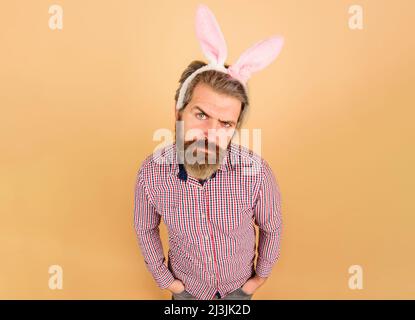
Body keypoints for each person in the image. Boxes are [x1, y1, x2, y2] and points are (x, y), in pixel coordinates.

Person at [134, 4, 284, 300]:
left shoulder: (256, 172)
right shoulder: (151, 173)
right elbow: (145, 228)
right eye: (201, 115)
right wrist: (171, 285)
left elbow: (273, 227)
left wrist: (254, 283)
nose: (210, 134)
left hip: (239, 291)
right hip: (186, 291)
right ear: (178, 113)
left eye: (225, 123)